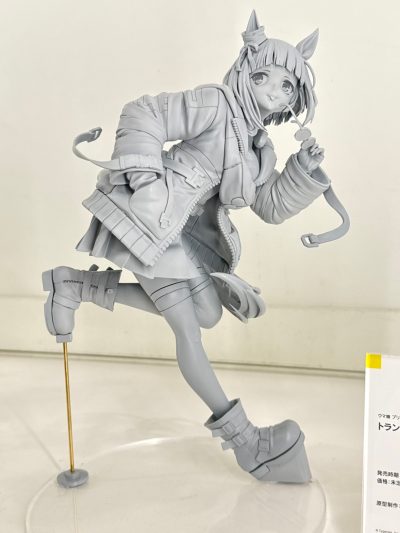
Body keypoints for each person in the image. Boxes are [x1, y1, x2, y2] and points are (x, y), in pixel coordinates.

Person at [42, 11, 348, 483]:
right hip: (149, 219)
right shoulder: (214, 102)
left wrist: (301, 170)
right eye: (263, 76)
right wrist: (145, 180)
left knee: (207, 313)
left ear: (295, 97)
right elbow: (143, 112)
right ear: (244, 70)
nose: (274, 90)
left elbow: (268, 205)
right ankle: (248, 443)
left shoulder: (258, 146)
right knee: (188, 329)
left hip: (181, 235)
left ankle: (75, 287)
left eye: (287, 86)